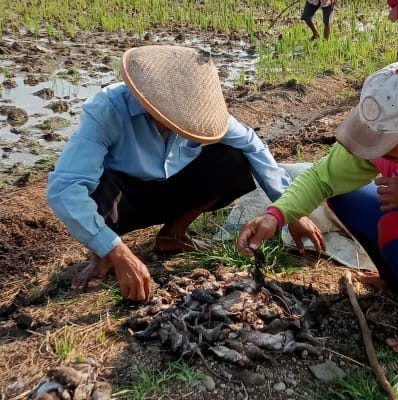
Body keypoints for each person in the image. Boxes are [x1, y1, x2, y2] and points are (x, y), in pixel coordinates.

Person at [238, 62, 398, 360]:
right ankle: (397, 281)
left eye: (387, 144)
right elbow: (323, 177)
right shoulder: (394, 135)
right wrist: (276, 216)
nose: (377, 150)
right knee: (346, 193)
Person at [47, 45, 291, 302]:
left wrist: (287, 208)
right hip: (122, 199)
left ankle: (174, 233)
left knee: (234, 157)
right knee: (93, 186)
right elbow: (65, 188)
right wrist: (115, 250)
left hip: (174, 188)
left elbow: (251, 144)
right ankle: (104, 254)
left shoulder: (200, 110)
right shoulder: (108, 109)